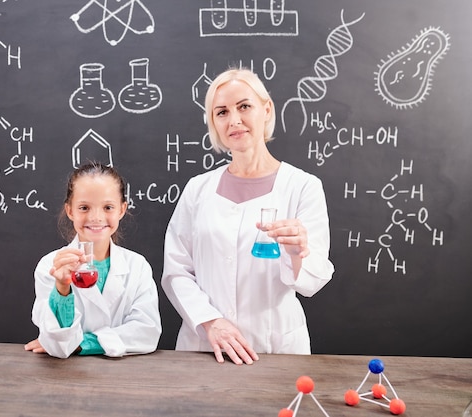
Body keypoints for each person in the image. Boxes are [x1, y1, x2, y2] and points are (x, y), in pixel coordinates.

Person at [161, 68, 334, 365]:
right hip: (203, 347)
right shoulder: (198, 189)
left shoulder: (303, 187)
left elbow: (312, 281)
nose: (234, 120)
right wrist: (210, 321)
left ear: (266, 109)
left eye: (244, 106)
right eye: (222, 112)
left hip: (275, 349)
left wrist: (296, 253)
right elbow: (176, 271)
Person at [25, 161, 161, 358]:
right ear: (70, 211)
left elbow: (147, 333)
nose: (96, 217)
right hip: (67, 375)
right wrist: (62, 288)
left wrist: (83, 343)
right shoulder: (51, 265)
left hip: (128, 378)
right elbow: (56, 341)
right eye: (84, 207)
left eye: (108, 207)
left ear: (122, 210)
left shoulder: (137, 266)